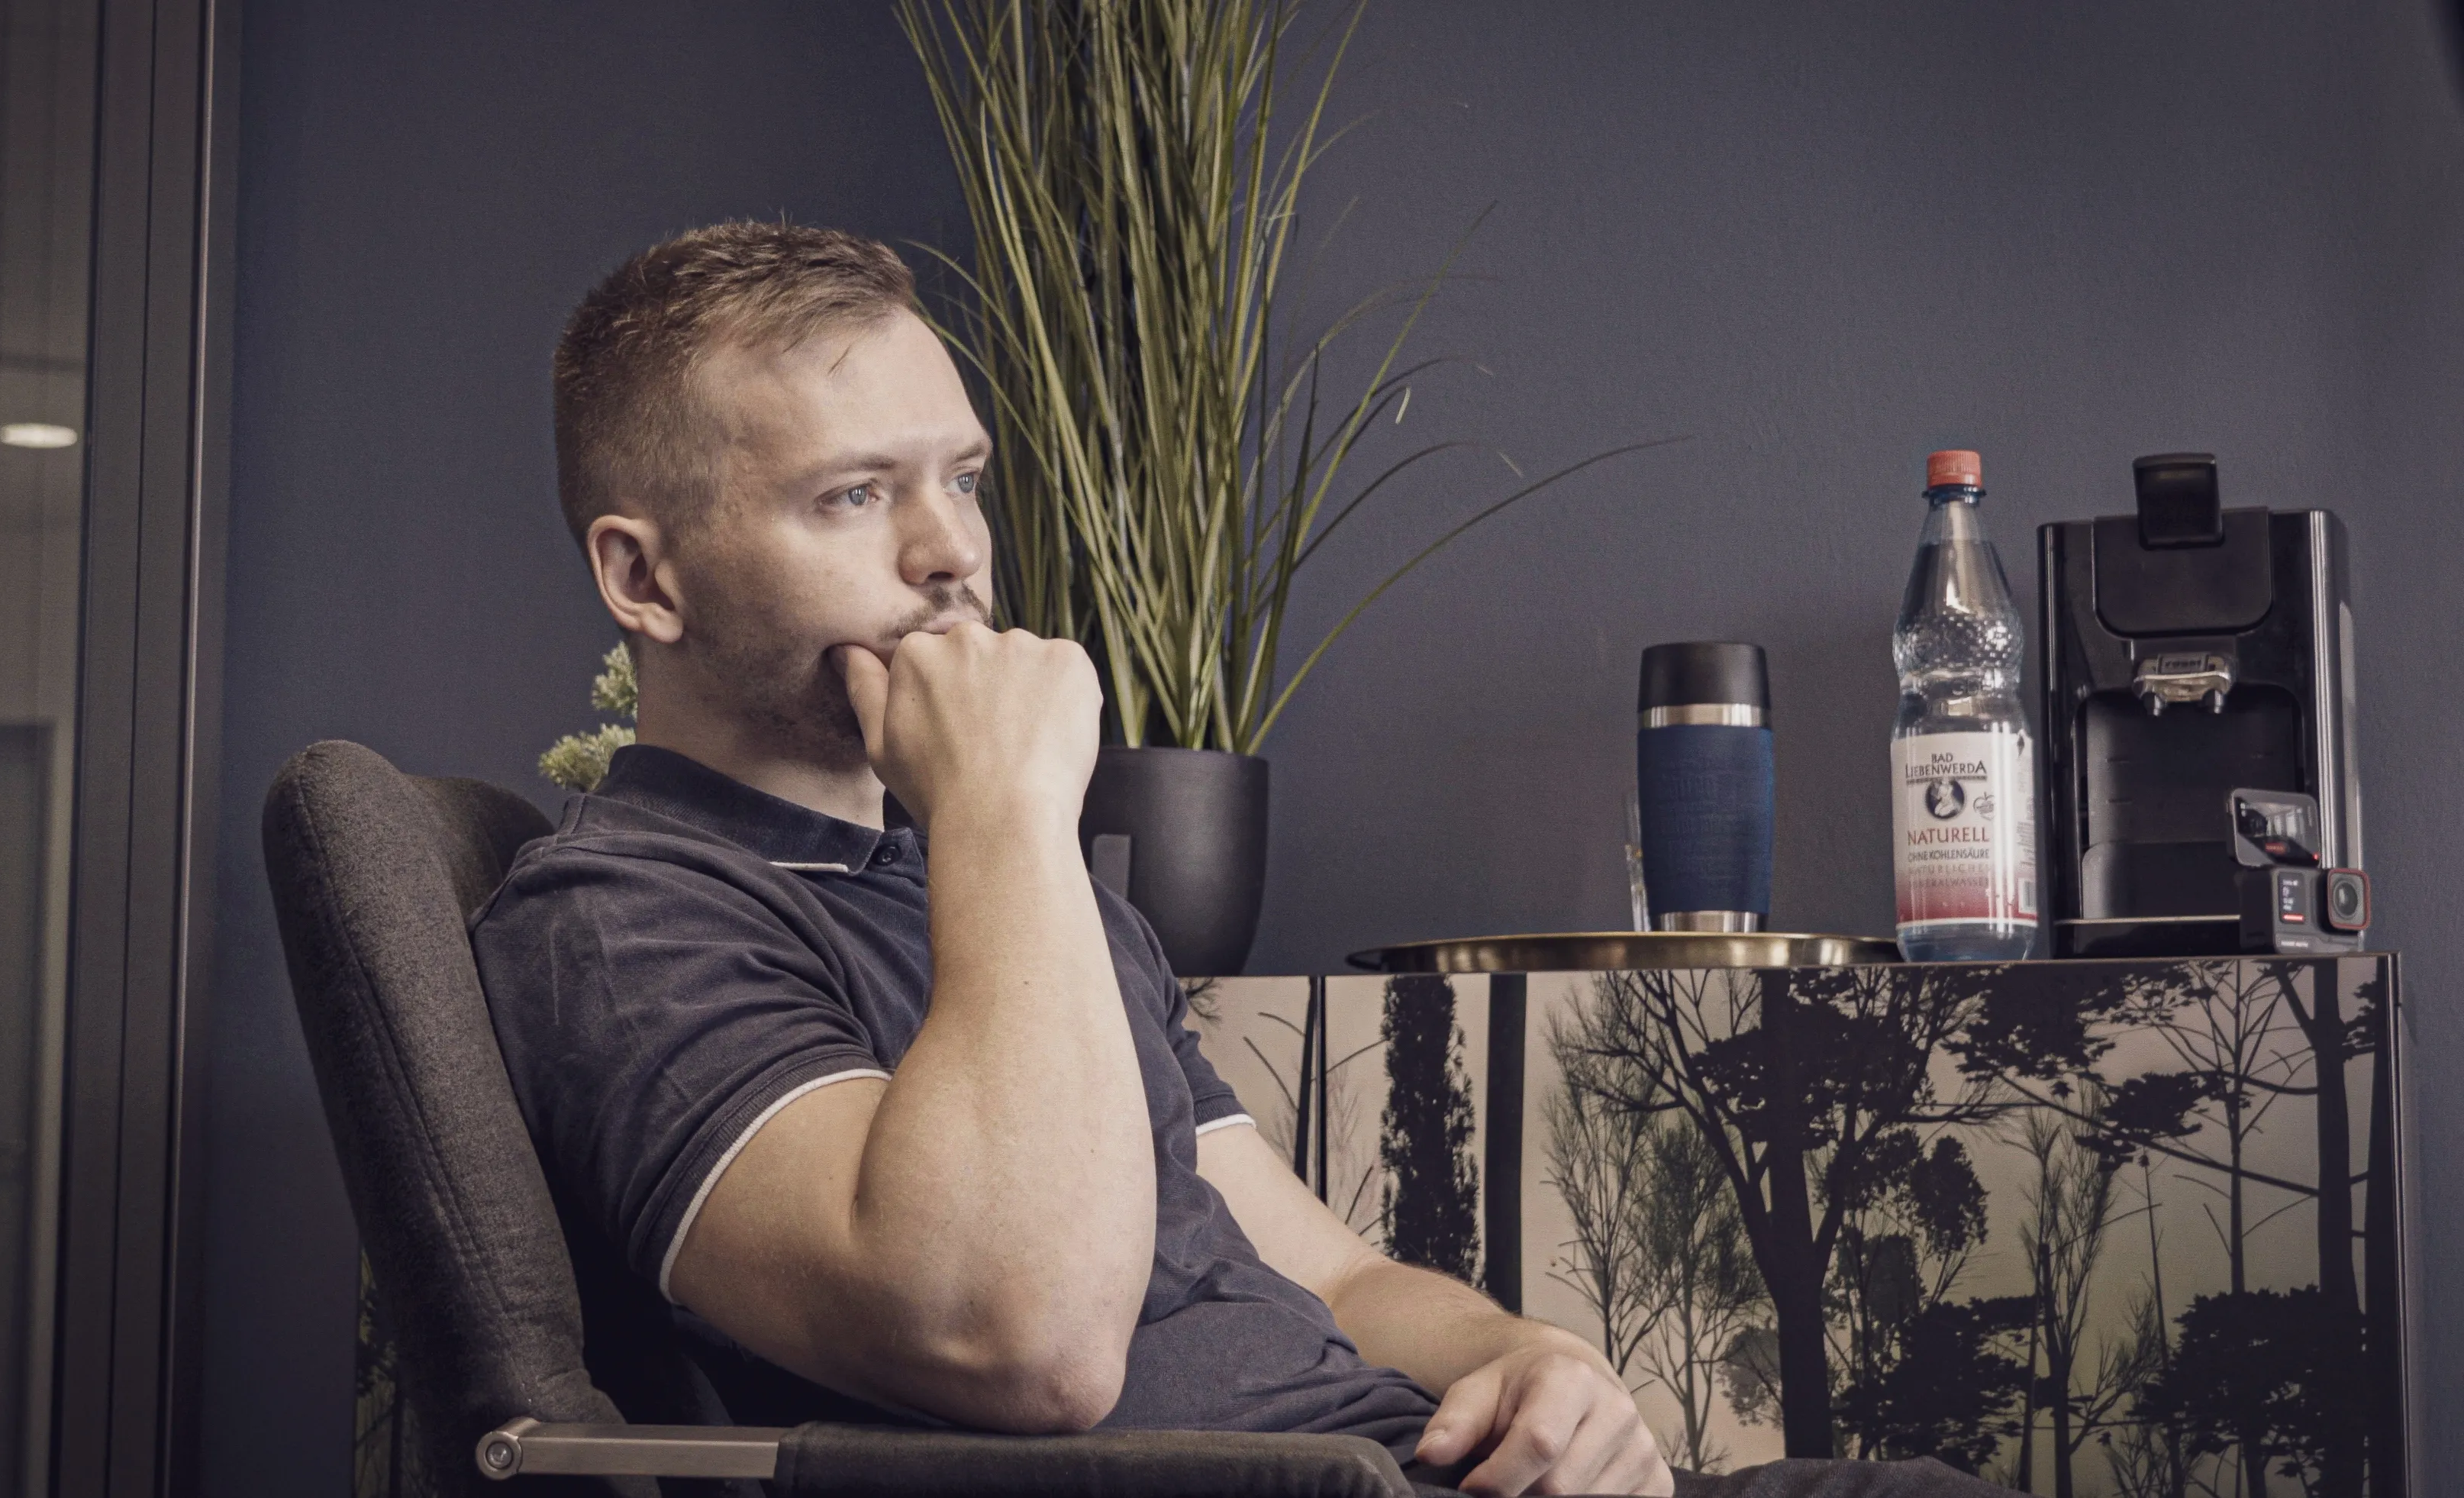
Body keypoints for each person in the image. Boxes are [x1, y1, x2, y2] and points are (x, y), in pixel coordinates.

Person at [472, 221, 2001, 1498]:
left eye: (964, 477)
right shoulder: (627, 925)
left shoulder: (1014, 904)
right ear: (644, 577)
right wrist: (1005, 811)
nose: (952, 556)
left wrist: (1519, 1360)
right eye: (854, 496)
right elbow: (1028, 1345)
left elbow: (1327, 1280)